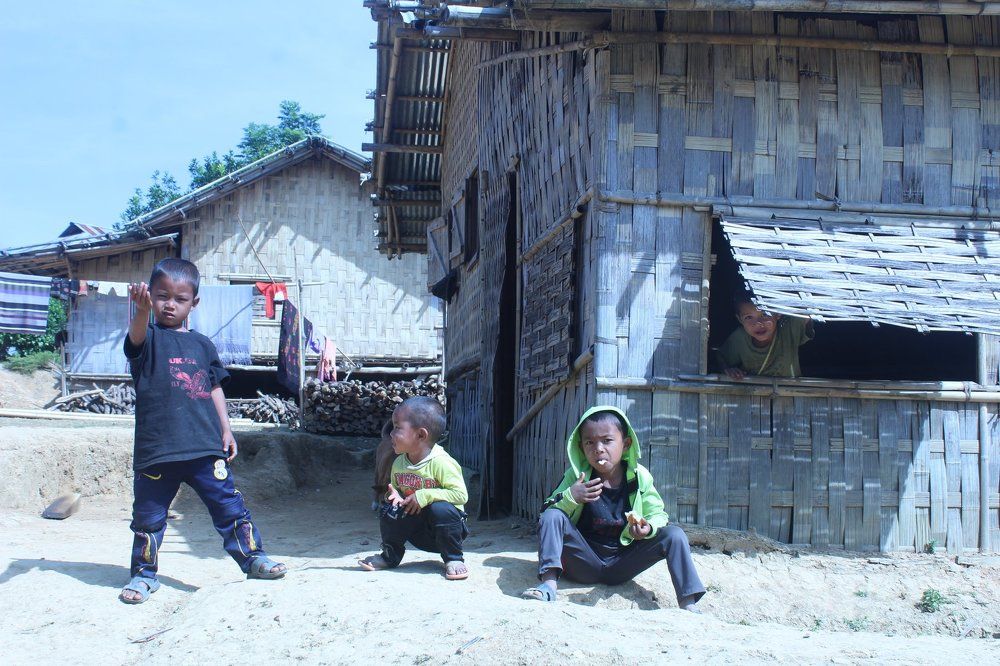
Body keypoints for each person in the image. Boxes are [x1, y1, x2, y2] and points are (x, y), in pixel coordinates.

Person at [119, 258, 285, 604]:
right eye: (161, 296)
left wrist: (227, 429)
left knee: (229, 507)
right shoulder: (147, 339)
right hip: (157, 452)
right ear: (151, 296)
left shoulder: (203, 345)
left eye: (179, 298)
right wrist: (140, 311)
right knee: (148, 518)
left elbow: (214, 389)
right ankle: (144, 576)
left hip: (205, 446)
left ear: (194, 303)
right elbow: (134, 338)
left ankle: (253, 558)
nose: (169, 304)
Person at [521, 406, 705, 612]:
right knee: (553, 516)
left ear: (625, 444)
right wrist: (571, 497)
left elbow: (658, 514)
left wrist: (648, 528)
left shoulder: (638, 476)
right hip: (583, 562)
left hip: (622, 563)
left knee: (674, 535)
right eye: (589, 442)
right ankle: (548, 585)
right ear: (581, 448)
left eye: (607, 441)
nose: (598, 448)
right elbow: (546, 511)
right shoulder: (577, 477)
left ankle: (688, 603)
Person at [358, 396, 470, 581]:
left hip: (447, 532)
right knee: (390, 509)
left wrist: (424, 496)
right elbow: (397, 492)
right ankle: (390, 556)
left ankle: (454, 558)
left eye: (397, 428)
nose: (391, 434)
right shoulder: (399, 463)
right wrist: (393, 495)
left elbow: (460, 495)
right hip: (416, 533)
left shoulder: (442, 463)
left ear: (420, 435)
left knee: (440, 508)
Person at [717, 292, 814, 379]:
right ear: (739, 319)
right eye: (749, 317)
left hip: (790, 396)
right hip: (752, 396)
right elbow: (720, 357)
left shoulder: (789, 329)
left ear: (777, 313)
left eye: (765, 314)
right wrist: (728, 370)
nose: (758, 323)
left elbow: (807, 306)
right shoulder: (740, 338)